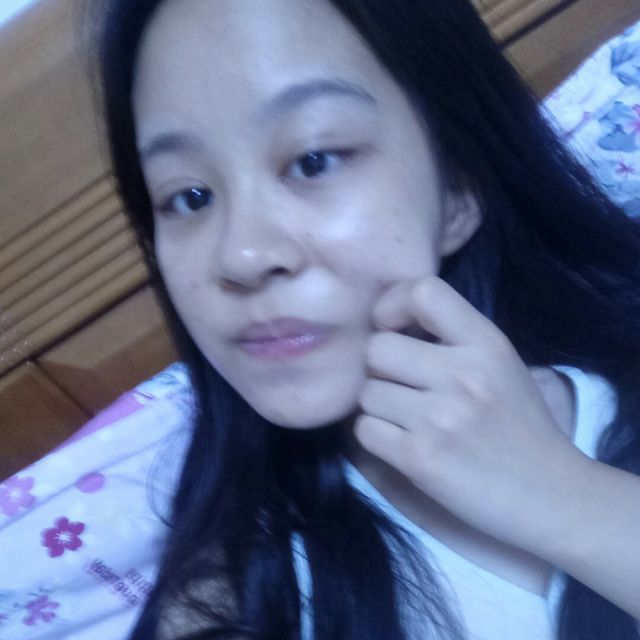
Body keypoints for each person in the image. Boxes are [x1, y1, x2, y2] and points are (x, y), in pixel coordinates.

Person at [95, 0, 640, 638]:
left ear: (458, 187)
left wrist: (567, 497)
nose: (241, 255)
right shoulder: (229, 601)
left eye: (314, 160)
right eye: (189, 197)